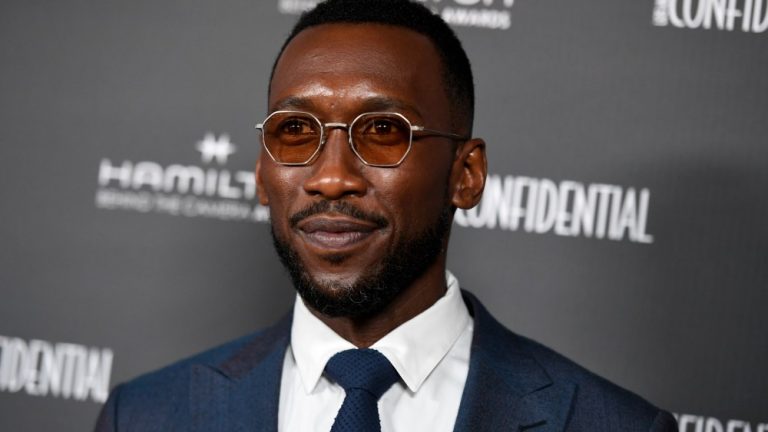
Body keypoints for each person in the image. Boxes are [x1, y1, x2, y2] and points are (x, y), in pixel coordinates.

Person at [94, 0, 678, 430]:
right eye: (295, 132)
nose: (330, 177)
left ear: (465, 174)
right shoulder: (146, 415)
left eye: (382, 132)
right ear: (261, 174)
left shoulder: (613, 425)